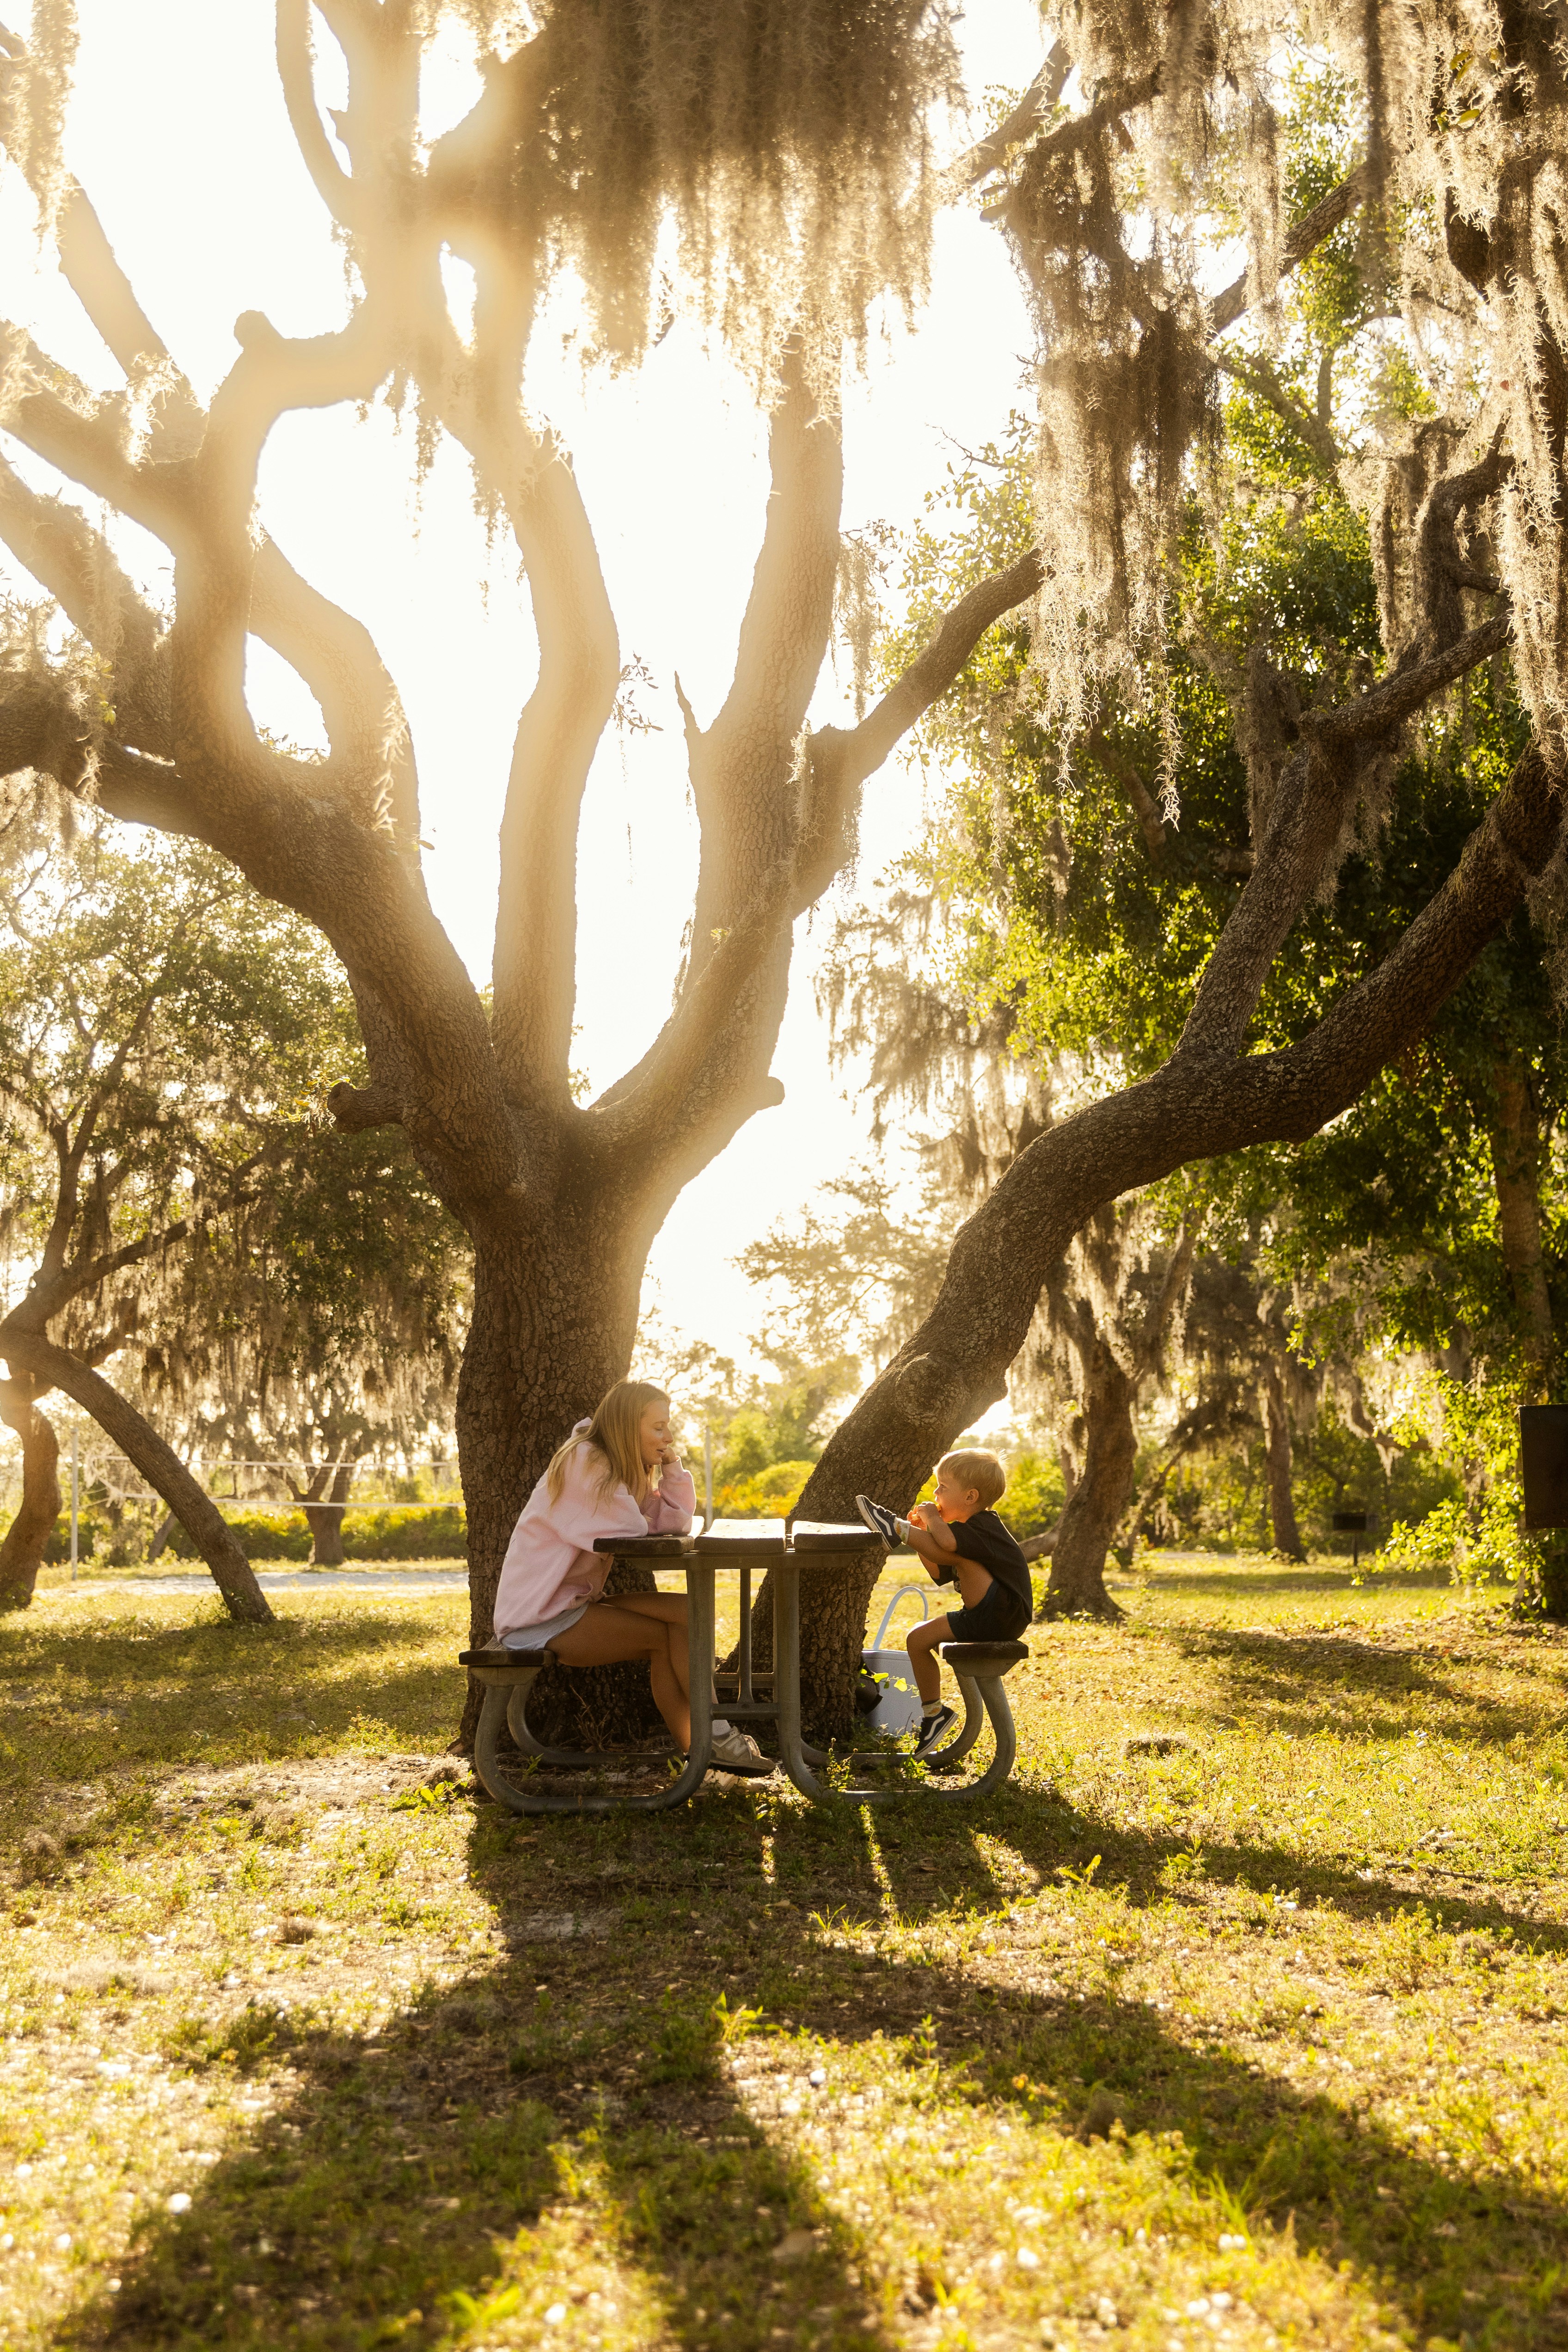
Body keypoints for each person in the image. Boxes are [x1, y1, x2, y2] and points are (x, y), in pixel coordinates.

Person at [495, 1379, 770, 1776]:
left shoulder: (619, 1469)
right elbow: (630, 1528)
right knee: (667, 1638)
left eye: (668, 1427)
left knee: (689, 1612)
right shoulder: (585, 1460)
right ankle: (716, 1742)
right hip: (538, 1619)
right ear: (627, 1426)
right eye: (658, 1428)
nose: (668, 1436)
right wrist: (644, 1501)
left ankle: (709, 1750)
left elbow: (673, 1522)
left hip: (571, 1604)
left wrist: (672, 1467)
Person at [857, 1450, 1031, 1755]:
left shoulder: (984, 1525)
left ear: (970, 1496)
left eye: (943, 1487)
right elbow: (939, 1569)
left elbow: (949, 1546)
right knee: (917, 1638)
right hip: (982, 1616)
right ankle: (934, 1714)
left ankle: (895, 1529)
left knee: (963, 1559)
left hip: (1005, 1612)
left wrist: (930, 1521)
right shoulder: (963, 1536)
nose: (935, 1493)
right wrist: (925, 1534)